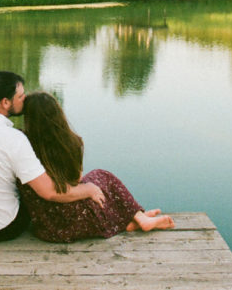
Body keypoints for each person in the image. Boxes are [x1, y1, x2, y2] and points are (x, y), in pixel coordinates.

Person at [0, 71, 106, 242]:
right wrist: (88, 190)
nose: (25, 99)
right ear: (5, 102)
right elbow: (49, 192)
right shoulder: (14, 139)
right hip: (2, 229)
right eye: (21, 96)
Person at [19, 91, 175, 243]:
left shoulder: (23, 146)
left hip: (51, 226)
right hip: (79, 216)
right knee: (102, 175)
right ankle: (138, 217)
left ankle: (136, 219)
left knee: (94, 184)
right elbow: (77, 179)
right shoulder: (74, 143)